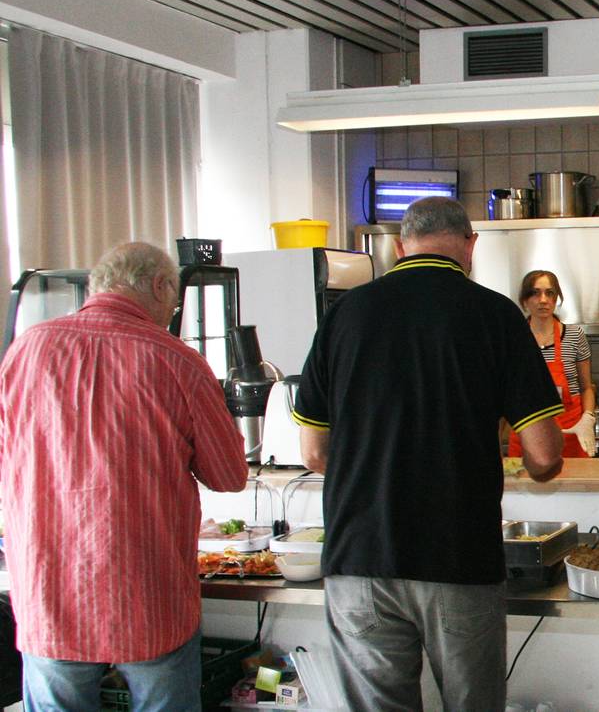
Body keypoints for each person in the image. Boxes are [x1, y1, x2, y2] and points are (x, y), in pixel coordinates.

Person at [292, 197, 564, 711]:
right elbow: (545, 456)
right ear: (470, 245)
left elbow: (313, 452)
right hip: (457, 556)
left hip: (359, 557)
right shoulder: (496, 315)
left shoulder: (344, 314)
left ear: (401, 247)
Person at [0, 241, 248, 710]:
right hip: (146, 588)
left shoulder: (25, 349)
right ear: (160, 285)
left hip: (47, 584)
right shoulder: (178, 361)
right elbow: (229, 475)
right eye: (173, 298)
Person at [507, 270, 597, 458]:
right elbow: (503, 393)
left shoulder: (574, 336)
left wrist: (588, 418)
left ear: (556, 299)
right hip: (526, 434)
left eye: (549, 293)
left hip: (570, 432)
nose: (543, 300)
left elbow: (586, 388)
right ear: (524, 300)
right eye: (535, 293)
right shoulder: (512, 338)